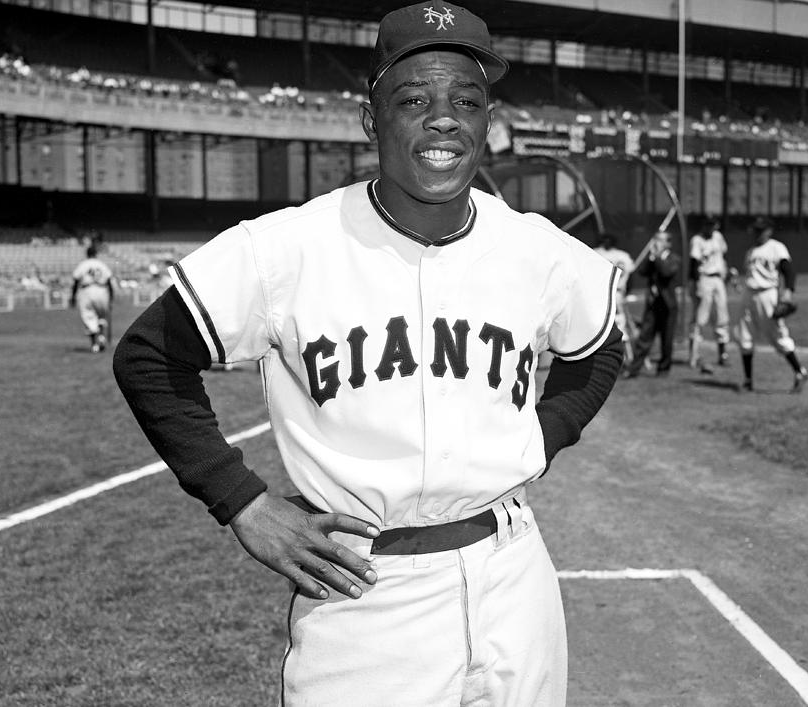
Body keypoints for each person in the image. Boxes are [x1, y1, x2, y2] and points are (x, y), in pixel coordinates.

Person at [113, 3, 623, 704]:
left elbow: (601, 345)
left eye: (466, 101)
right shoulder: (289, 247)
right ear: (370, 117)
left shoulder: (535, 247)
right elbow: (149, 355)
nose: (444, 118)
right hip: (365, 596)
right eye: (413, 99)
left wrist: (543, 435)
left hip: (514, 577)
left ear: (487, 123)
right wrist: (243, 502)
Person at [736, 216, 808, 393]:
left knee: (777, 336)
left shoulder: (776, 247)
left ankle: (799, 371)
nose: (758, 232)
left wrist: (788, 291)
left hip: (767, 294)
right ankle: (747, 381)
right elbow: (749, 275)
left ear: (769, 230)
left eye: (761, 229)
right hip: (748, 295)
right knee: (744, 336)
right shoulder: (751, 252)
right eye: (756, 229)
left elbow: (788, 270)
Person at [622, 230, 681, 378]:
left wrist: (657, 257)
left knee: (667, 339)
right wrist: (651, 258)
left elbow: (666, 272)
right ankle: (634, 369)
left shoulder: (674, 259)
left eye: (661, 240)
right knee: (645, 337)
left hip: (668, 305)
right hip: (653, 304)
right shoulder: (652, 259)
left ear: (668, 243)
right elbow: (642, 271)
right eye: (656, 239)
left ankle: (663, 369)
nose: (657, 243)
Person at [688, 215, 730, 372]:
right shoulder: (697, 240)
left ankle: (723, 355)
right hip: (704, 279)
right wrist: (696, 284)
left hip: (718, 279)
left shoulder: (718, 237)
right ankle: (694, 356)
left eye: (713, 225)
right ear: (703, 225)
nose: (711, 227)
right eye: (708, 224)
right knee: (699, 319)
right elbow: (693, 264)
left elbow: (724, 256)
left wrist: (727, 272)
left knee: (722, 317)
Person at [594, 232, 636, 360]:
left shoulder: (595, 253)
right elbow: (631, 278)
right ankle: (629, 357)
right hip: (616, 295)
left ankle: (625, 357)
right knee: (622, 326)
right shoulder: (623, 255)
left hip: (604, 296)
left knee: (605, 327)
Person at [70, 245, 114, 353]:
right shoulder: (102, 264)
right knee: (102, 316)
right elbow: (109, 282)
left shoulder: (83, 264)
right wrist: (111, 298)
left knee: (89, 316)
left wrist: (73, 296)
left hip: (87, 290)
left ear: (87, 254)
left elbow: (76, 281)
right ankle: (102, 337)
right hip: (102, 290)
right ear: (96, 254)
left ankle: (94, 345)